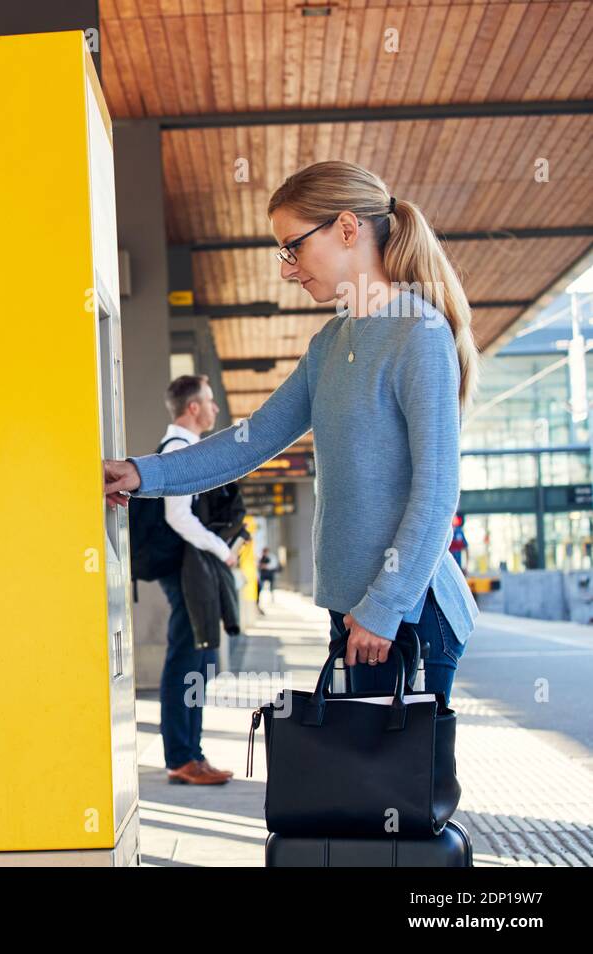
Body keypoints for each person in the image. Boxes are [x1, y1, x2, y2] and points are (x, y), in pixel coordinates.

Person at [105, 160, 481, 706]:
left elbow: (438, 488)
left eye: (293, 247)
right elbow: (252, 440)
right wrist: (144, 473)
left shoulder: (418, 335)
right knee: (356, 788)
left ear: (348, 229)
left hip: (405, 617)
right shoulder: (330, 343)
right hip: (357, 615)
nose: (287, 269)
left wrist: (383, 608)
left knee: (391, 789)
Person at [151, 374, 239, 785]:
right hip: (185, 570)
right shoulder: (177, 450)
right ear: (192, 408)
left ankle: (192, 754)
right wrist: (222, 550)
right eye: (209, 401)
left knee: (198, 659)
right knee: (186, 658)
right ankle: (182, 758)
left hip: (194, 568)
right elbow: (177, 515)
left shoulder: (188, 448)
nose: (215, 408)